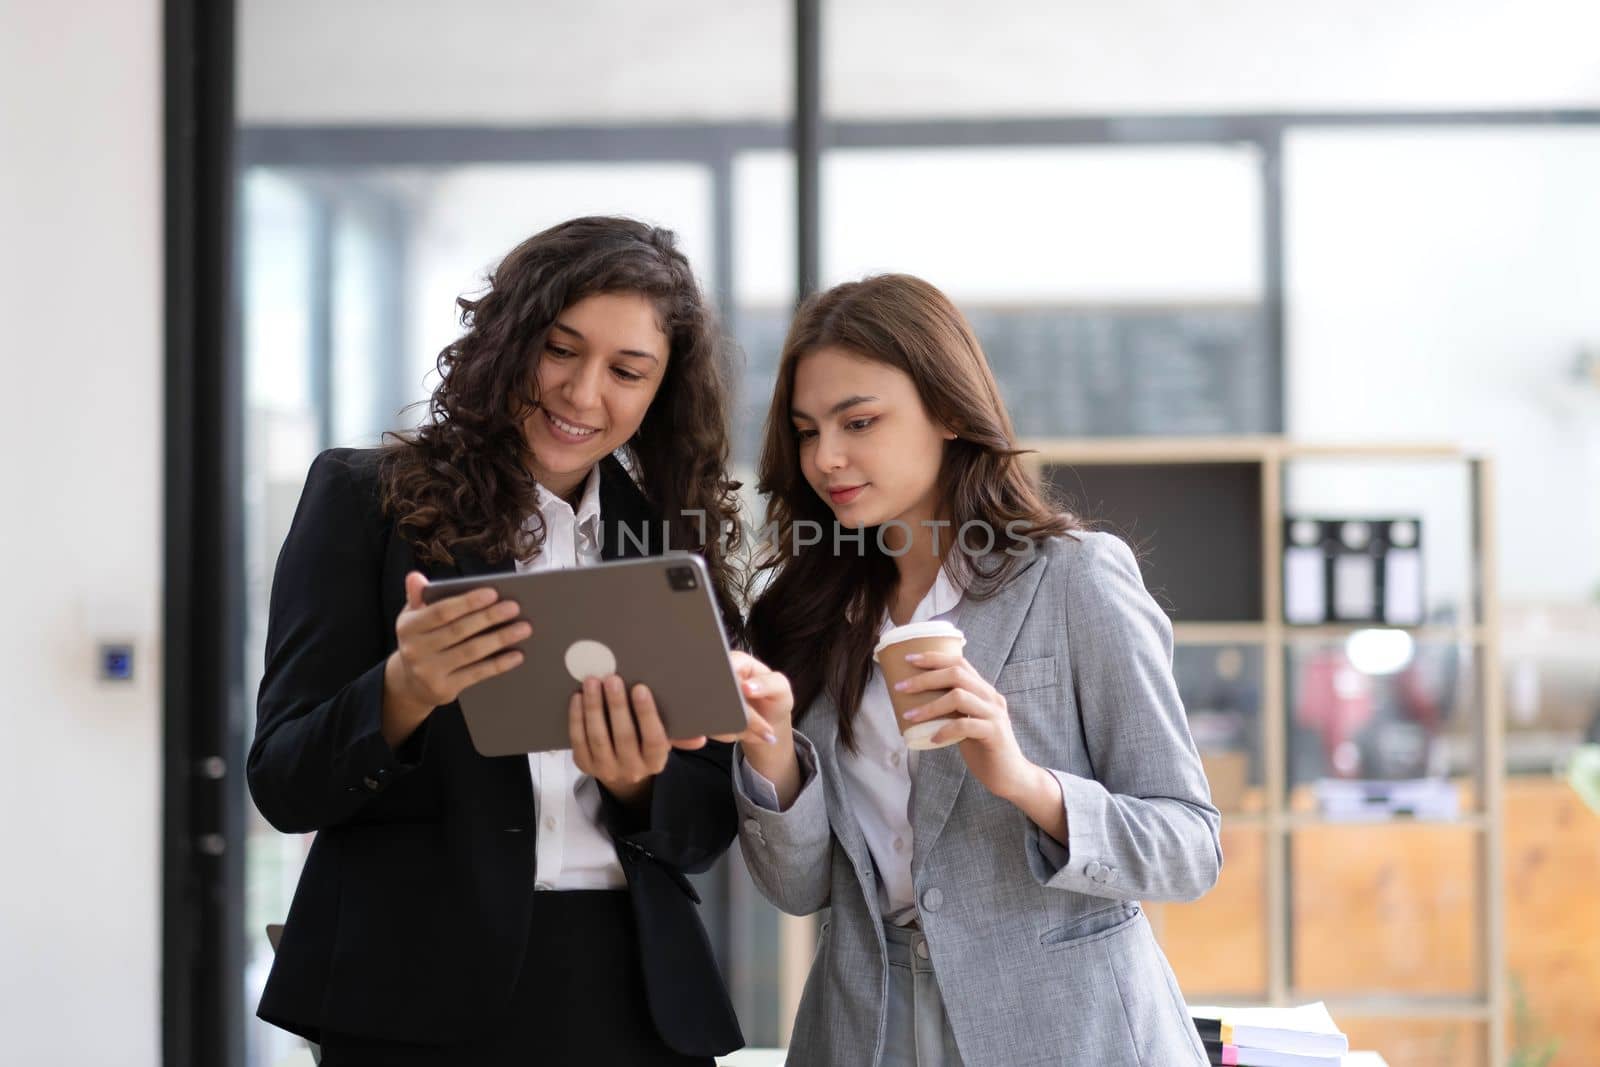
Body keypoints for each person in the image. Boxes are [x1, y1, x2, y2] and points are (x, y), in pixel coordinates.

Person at [248, 216, 748, 1065]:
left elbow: (705, 824)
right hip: (412, 989)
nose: (585, 394)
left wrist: (639, 781)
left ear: (660, 390)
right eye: (560, 349)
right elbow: (285, 781)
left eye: (628, 371)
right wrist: (404, 689)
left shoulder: (670, 544)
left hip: (630, 992)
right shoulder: (364, 499)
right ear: (508, 339)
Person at [730, 274, 1223, 1066]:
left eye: (860, 421)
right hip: (867, 1026)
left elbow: (1189, 846)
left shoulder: (1074, 580)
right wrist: (773, 757)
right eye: (807, 429)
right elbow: (799, 890)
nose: (827, 456)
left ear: (951, 411)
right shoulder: (802, 618)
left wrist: (1027, 781)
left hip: (1065, 1029)